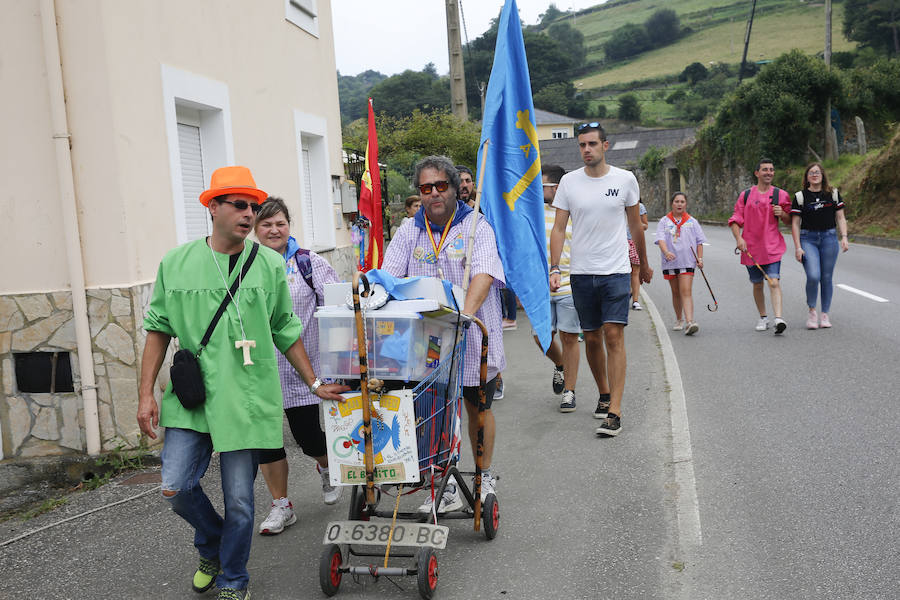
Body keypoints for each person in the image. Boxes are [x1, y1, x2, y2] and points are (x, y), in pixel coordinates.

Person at [137, 166, 347, 600]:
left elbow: (286, 329)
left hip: (248, 395)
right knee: (175, 486)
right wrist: (145, 394)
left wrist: (314, 383)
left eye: (252, 206)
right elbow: (157, 329)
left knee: (240, 501)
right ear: (213, 208)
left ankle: (234, 577)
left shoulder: (269, 265)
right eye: (239, 204)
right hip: (192, 396)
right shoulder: (176, 263)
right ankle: (211, 544)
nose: (249, 213)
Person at [383, 155, 506, 511]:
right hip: (426, 339)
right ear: (419, 193)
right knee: (434, 409)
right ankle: (443, 483)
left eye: (441, 186)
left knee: (476, 406)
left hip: (471, 332)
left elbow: (483, 274)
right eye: (426, 188)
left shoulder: (476, 226)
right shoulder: (409, 229)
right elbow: (389, 276)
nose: (434, 193)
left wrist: (465, 314)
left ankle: (482, 478)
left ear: (454, 188)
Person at [549, 123, 652, 438]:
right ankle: (603, 391)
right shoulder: (569, 182)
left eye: (592, 144)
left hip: (616, 271)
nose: (586, 150)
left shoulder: (624, 180)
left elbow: (636, 227)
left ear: (605, 146)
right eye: (582, 145)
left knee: (613, 336)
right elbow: (557, 228)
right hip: (581, 273)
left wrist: (644, 264)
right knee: (591, 338)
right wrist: (555, 268)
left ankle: (615, 412)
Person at [253, 197, 343, 536]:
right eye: (266, 224)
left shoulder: (308, 263)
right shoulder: (245, 264)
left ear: (288, 226)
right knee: (266, 440)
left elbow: (334, 305)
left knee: (307, 438)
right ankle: (281, 506)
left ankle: (326, 466)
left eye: (280, 223)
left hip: (303, 367)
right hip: (260, 369)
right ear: (256, 230)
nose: (274, 230)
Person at [537, 164, 584, 413]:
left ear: (555, 188)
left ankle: (570, 391)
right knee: (540, 337)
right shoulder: (535, 212)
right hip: (540, 288)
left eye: (541, 185)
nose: (538, 190)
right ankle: (560, 365)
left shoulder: (575, 212)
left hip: (568, 283)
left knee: (569, 336)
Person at [729, 158, 792, 334]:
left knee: (773, 282)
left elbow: (790, 221)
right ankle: (763, 317)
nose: (769, 173)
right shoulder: (746, 195)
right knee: (757, 284)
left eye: (771, 170)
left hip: (772, 247)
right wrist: (738, 238)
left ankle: (778, 318)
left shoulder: (781, 195)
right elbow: (735, 220)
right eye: (765, 170)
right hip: (751, 250)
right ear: (757, 173)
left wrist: (783, 214)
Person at [790, 163, 849, 329]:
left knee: (827, 278)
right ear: (807, 177)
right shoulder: (800, 197)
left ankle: (825, 315)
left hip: (829, 238)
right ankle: (812, 311)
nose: (815, 175)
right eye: (811, 172)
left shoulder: (833, 194)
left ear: (822, 175)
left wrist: (844, 237)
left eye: (817, 172)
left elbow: (841, 217)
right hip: (808, 239)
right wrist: (797, 247)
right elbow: (795, 224)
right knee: (814, 275)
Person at [656, 192, 707, 335]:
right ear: (671, 203)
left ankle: (690, 322)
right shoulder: (664, 221)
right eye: (677, 201)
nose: (679, 204)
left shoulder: (692, 221)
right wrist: (666, 252)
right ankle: (679, 319)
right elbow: (660, 239)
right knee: (676, 292)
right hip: (670, 263)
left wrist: (700, 258)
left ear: (686, 204)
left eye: (682, 202)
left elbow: (699, 242)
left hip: (687, 262)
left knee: (686, 291)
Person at [628, 200, 649, 310]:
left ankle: (635, 301)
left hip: (634, 241)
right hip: (618, 241)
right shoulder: (617, 204)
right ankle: (627, 292)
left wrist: (635, 223)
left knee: (635, 272)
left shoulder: (639, 206)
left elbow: (645, 225)